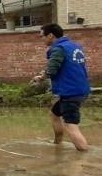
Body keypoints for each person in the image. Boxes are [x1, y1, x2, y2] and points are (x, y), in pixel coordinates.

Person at [32, 23, 90, 151]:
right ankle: (57, 144)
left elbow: (52, 69)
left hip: (71, 91)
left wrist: (40, 77)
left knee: (71, 126)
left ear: (51, 35)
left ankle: (84, 156)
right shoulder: (74, 46)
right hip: (79, 89)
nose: (42, 39)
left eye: (42, 36)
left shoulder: (58, 49)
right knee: (54, 115)